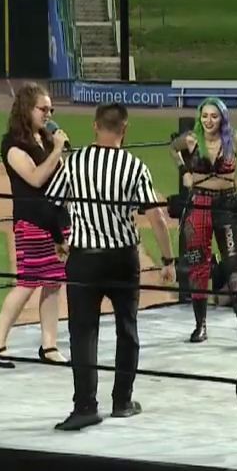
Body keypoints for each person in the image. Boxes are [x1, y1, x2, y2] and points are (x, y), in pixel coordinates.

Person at [44, 103, 177, 432]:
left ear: (95, 126)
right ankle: (122, 401)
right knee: (127, 329)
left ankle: (85, 406)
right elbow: (157, 217)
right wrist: (168, 260)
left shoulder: (75, 162)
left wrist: (60, 239)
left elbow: (52, 205)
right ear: (125, 129)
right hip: (122, 258)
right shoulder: (134, 166)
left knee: (82, 332)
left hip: (84, 257)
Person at [0, 83, 71, 368]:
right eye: (42, 109)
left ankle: (49, 345)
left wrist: (57, 150)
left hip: (57, 220)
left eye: (50, 109)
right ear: (26, 109)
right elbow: (35, 178)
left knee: (54, 282)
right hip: (32, 222)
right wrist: (57, 150)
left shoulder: (45, 139)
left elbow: (60, 177)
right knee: (27, 283)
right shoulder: (13, 144)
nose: (48, 114)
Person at [170, 97, 237, 346]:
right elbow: (172, 147)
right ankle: (200, 325)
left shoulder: (233, 138)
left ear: (222, 117)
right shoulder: (191, 139)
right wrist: (184, 172)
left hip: (226, 205)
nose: (209, 121)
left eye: (214, 116)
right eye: (205, 116)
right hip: (199, 205)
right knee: (198, 265)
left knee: (234, 264)